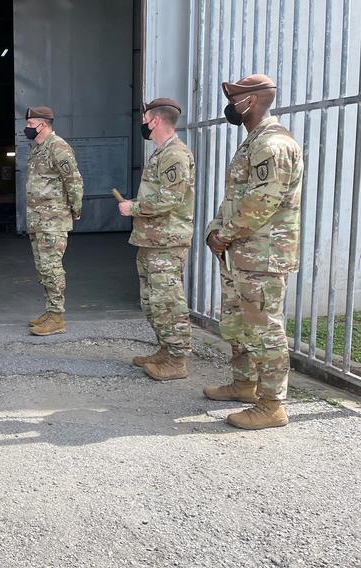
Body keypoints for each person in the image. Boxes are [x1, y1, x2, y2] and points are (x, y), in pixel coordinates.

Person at [203, 74, 304, 430]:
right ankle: (244, 384)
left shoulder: (272, 145)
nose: (231, 105)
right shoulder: (254, 142)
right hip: (242, 251)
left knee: (263, 326)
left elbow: (262, 202)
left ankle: (272, 404)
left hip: (263, 254)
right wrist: (217, 230)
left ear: (254, 101)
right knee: (239, 321)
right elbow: (236, 198)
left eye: (235, 98)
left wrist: (225, 233)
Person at [118, 98, 196, 381]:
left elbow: (171, 198)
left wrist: (133, 207)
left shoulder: (175, 154)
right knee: (152, 300)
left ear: (155, 121)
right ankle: (166, 349)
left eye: (144, 118)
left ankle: (177, 360)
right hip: (152, 240)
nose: (142, 123)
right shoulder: (160, 153)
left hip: (167, 241)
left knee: (168, 300)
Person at [23, 106, 84, 336]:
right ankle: (50, 311)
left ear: (43, 125)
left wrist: (74, 210)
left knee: (52, 268)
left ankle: (57, 316)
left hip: (53, 219)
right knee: (43, 267)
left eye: (30, 125)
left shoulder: (58, 147)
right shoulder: (37, 148)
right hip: (38, 220)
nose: (27, 129)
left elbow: (74, 181)